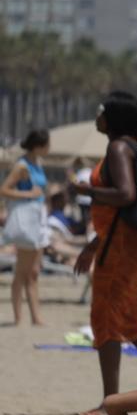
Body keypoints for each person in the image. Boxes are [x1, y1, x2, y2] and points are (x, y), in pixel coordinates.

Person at [71, 92, 137, 415]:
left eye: (102, 111)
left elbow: (125, 196)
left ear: (113, 119)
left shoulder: (118, 148)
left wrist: (85, 190)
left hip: (122, 247)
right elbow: (122, 210)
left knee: (105, 321)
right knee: (131, 322)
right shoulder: (135, 147)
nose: (97, 115)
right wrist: (93, 246)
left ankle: (109, 403)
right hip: (132, 243)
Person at [1, 128, 50, 325]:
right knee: (21, 272)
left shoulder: (37, 163)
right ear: (38, 145)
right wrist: (28, 195)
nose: (49, 148)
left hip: (37, 220)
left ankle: (36, 318)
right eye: (47, 144)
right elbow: (4, 189)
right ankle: (18, 317)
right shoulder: (22, 166)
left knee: (33, 273)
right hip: (26, 222)